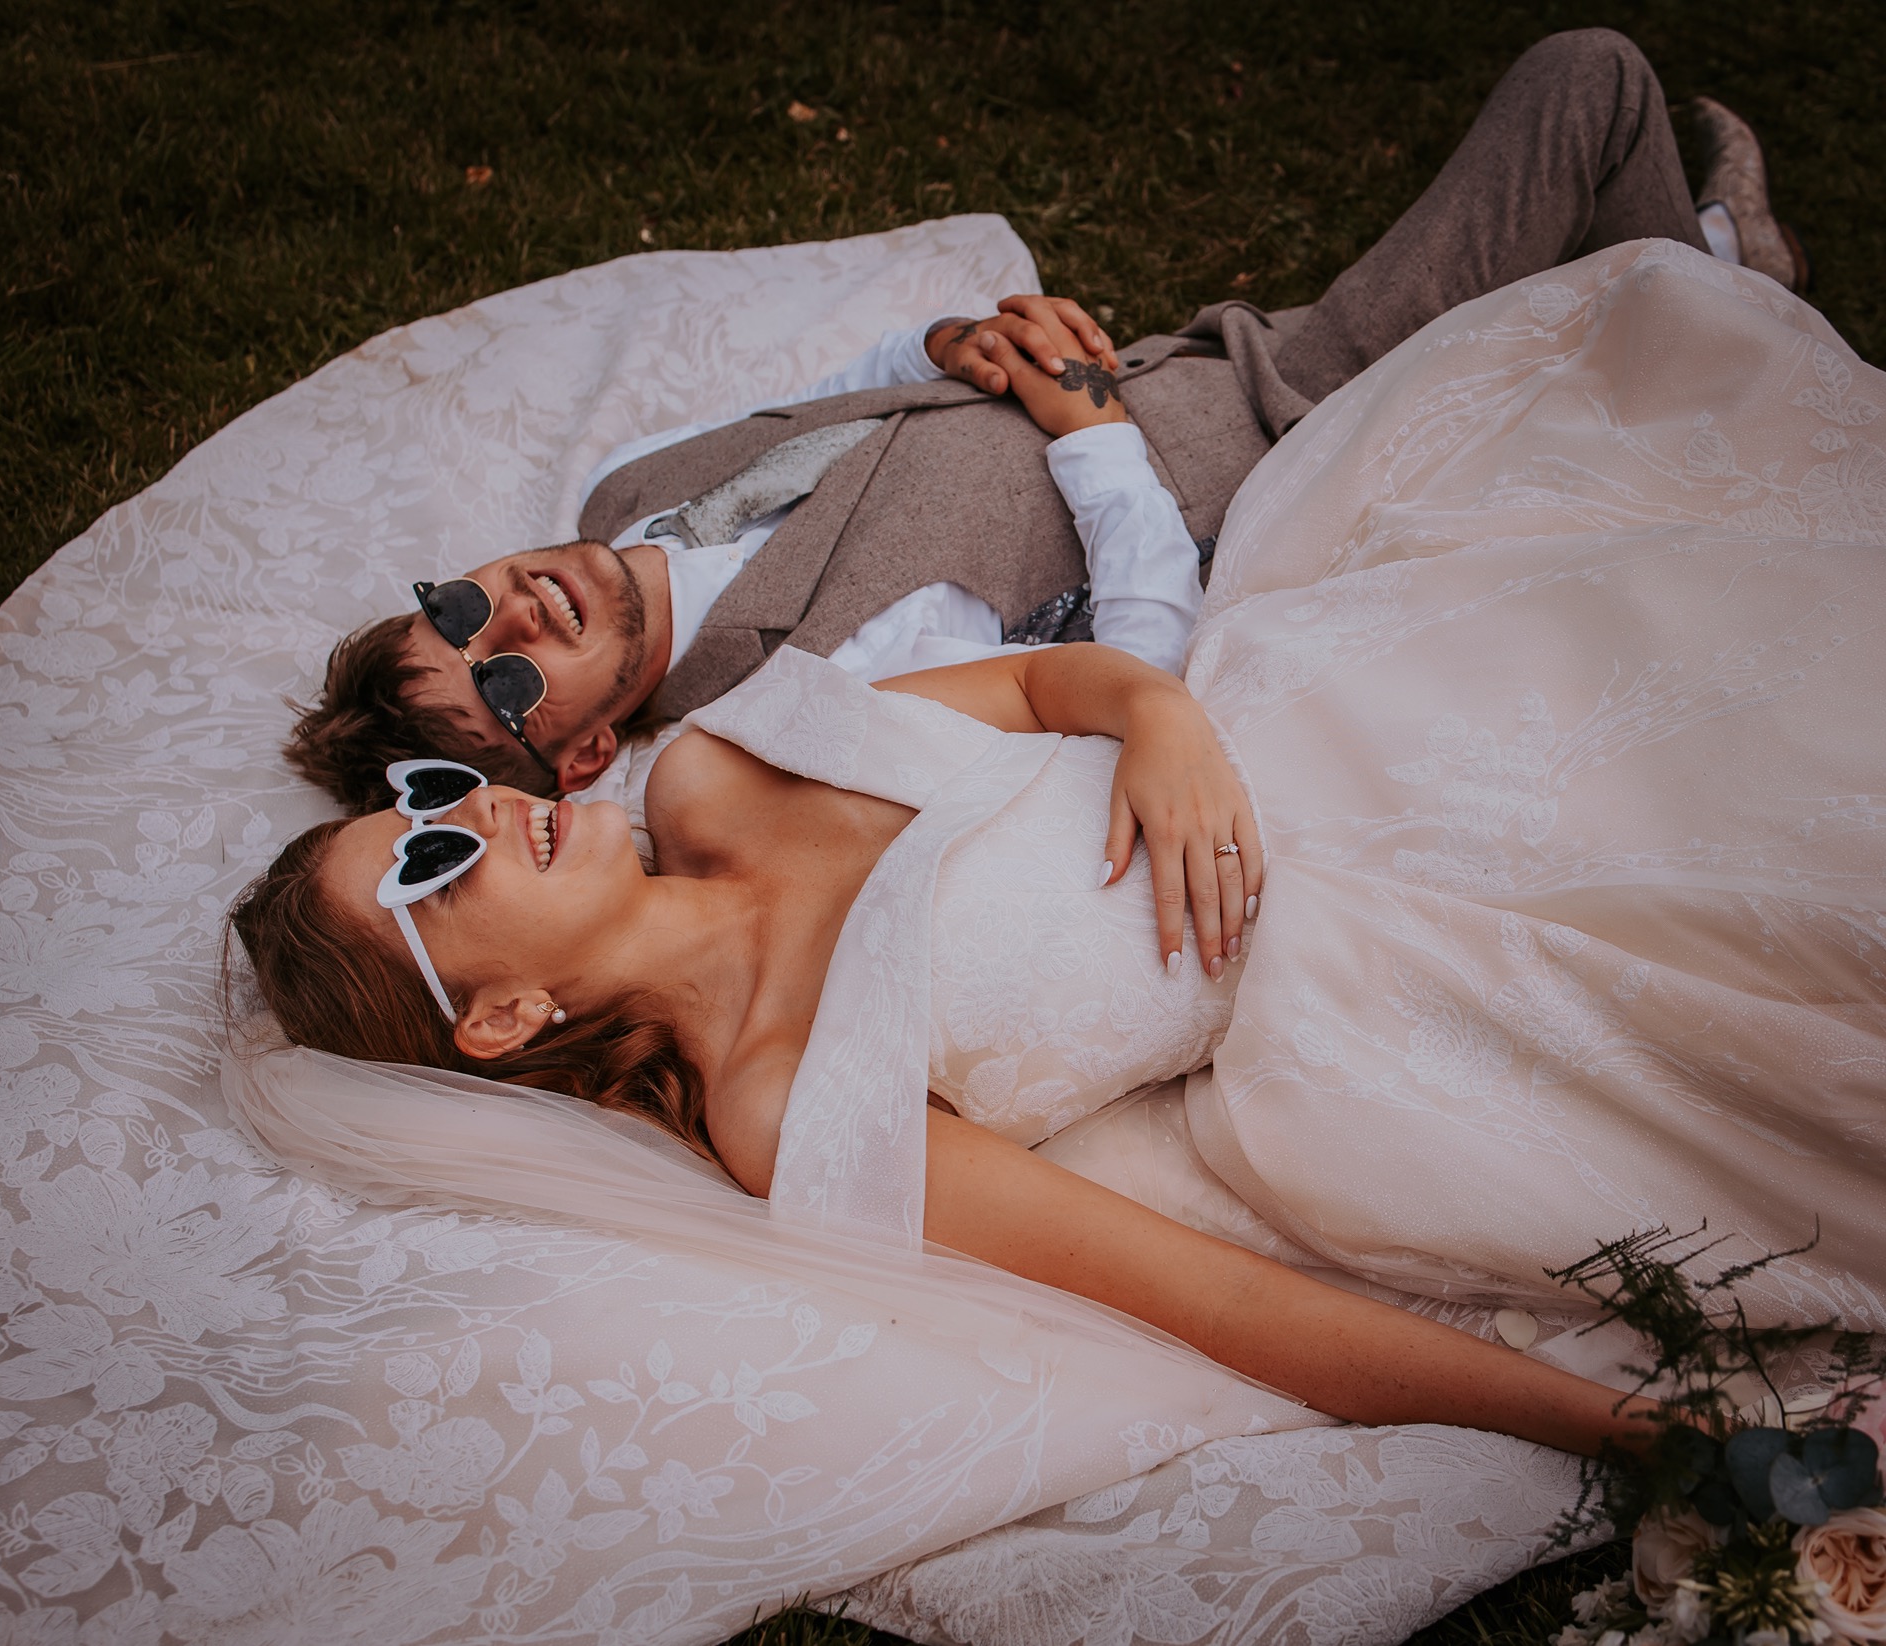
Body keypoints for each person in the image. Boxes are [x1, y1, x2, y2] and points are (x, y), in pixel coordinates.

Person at [229, 227, 1886, 1463]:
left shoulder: (708, 777)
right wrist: (1632, 1435)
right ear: (500, 1017)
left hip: (1327, 716)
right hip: (1373, 986)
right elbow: (1213, 1303)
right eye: (431, 864)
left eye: (433, 804)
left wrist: (1158, 724)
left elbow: (1043, 675)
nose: (478, 812)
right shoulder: (775, 1104)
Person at [280, 29, 1808, 816]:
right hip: (1307, 438)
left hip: (1210, 351)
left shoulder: (633, 485)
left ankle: (1699, 284)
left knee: (1597, 257)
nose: (517, 608)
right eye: (507, 677)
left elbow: (840, 401)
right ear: (592, 748)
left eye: (457, 603)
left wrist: (942, 338)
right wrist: (1083, 433)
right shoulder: (795, 694)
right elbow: (1131, 663)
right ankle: (1733, 294)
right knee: (1592, 84)